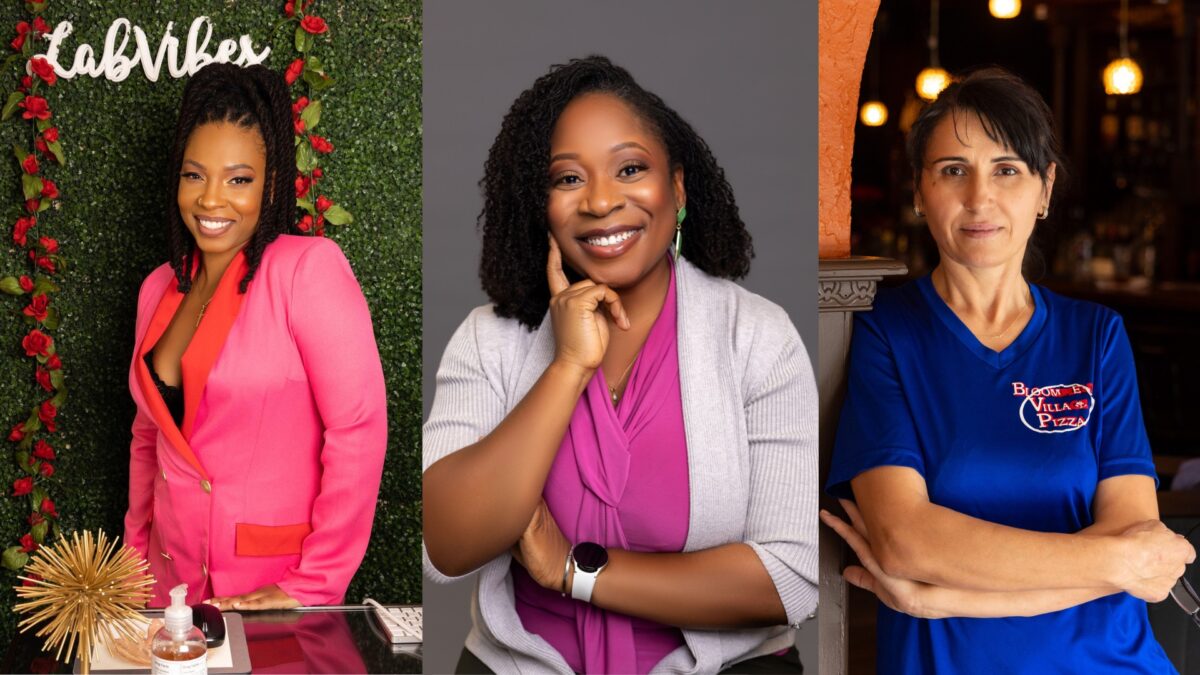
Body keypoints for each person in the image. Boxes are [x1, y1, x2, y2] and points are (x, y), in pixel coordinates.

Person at [423, 56, 817, 674]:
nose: (602, 201)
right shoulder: (491, 339)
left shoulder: (757, 338)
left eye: (630, 169)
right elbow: (444, 545)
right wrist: (567, 367)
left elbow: (787, 581)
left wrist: (573, 571)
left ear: (678, 189)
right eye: (567, 179)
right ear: (539, 205)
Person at [822, 67, 1195, 673]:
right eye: (952, 170)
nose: (979, 198)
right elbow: (904, 539)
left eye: (1007, 170)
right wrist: (1111, 562)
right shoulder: (885, 332)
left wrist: (939, 596)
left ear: (1044, 189)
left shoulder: (1096, 337)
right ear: (919, 191)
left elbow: (1138, 546)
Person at [123, 63, 387, 610]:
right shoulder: (157, 288)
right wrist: (132, 568)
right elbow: (150, 439)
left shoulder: (307, 270)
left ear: (270, 187)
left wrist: (312, 584)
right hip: (166, 593)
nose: (211, 200)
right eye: (195, 175)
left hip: (270, 590)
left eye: (238, 179)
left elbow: (357, 430)